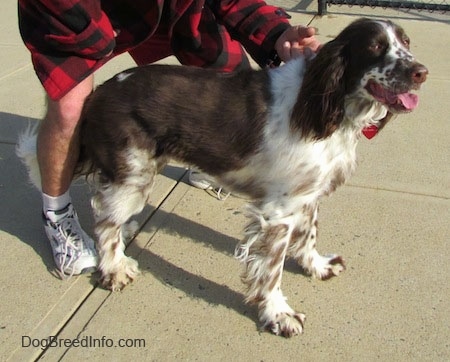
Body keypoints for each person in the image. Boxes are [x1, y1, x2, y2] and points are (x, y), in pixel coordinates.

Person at [18, 0, 321, 277]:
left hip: (165, 6)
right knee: (70, 110)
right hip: (72, 13)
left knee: (229, 78)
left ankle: (202, 157)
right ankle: (57, 215)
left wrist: (277, 32)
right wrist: (108, 38)